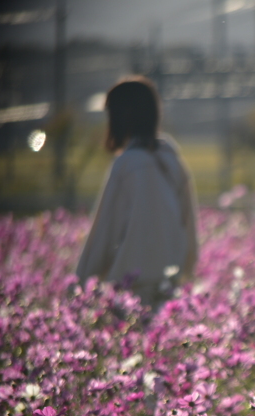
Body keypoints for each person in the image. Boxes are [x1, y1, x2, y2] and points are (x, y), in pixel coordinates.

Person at [75, 76, 198, 308]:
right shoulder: (171, 159)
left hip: (129, 288)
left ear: (122, 116)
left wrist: (80, 284)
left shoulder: (128, 164)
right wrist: (187, 270)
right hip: (168, 285)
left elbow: (104, 231)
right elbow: (188, 223)